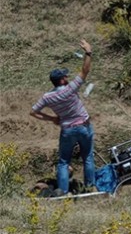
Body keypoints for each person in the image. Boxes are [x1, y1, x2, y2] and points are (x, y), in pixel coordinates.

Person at [30, 39, 95, 196]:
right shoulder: (70, 89)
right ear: (62, 80)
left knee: (64, 162)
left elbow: (33, 112)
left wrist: (51, 119)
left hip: (67, 130)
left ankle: (63, 192)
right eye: (65, 76)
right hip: (84, 126)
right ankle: (89, 188)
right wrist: (88, 52)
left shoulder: (48, 97)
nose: (67, 77)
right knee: (88, 158)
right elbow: (85, 71)